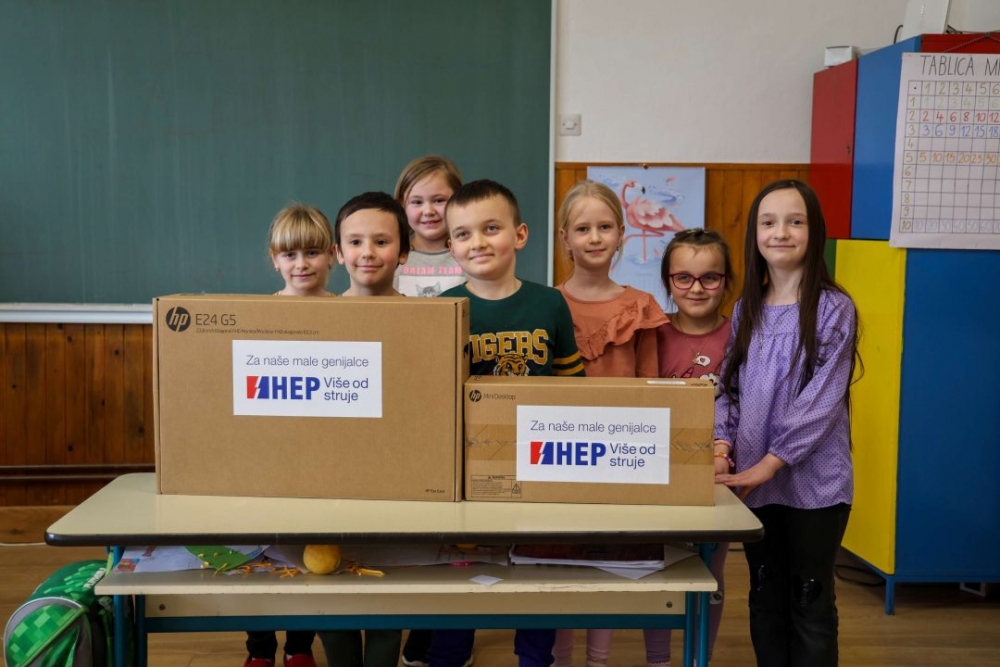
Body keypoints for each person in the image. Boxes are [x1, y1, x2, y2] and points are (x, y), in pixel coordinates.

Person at [432, 179, 585, 667]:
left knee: (538, 566)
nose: (477, 242)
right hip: (467, 470)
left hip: (540, 463)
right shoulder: (443, 308)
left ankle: (535, 657)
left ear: (519, 235)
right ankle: (450, 655)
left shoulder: (549, 303)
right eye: (463, 234)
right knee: (461, 566)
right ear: (450, 245)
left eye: (491, 228)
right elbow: (435, 402)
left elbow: (574, 389)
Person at [714, 180, 860, 667]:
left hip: (815, 485)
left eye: (795, 221)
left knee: (809, 600)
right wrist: (722, 446)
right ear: (755, 234)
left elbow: (821, 402)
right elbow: (729, 389)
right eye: (768, 222)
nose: (781, 232)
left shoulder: (834, 308)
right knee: (764, 595)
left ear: (814, 232)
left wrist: (771, 462)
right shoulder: (746, 309)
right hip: (756, 484)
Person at [551, 180, 666, 667]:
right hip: (561, 457)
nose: (594, 238)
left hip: (623, 455)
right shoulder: (548, 303)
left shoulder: (639, 305)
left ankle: (598, 659)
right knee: (559, 564)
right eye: (582, 229)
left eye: (604, 227)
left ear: (621, 234)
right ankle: (559, 659)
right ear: (565, 237)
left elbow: (652, 389)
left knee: (613, 562)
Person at [319, 191, 409, 667]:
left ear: (404, 251)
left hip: (395, 479)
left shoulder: (424, 321)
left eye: (382, 241)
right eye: (354, 242)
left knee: (386, 584)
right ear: (338, 252)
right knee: (330, 582)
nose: (367, 252)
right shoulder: (316, 319)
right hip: (328, 478)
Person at [245, 203, 335, 667]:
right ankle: (259, 649)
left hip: (326, 458)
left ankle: (300, 646)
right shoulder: (257, 315)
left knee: (310, 553)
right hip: (269, 457)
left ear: (333, 255)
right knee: (262, 553)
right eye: (290, 254)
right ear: (274, 259)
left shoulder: (348, 313)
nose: (302, 264)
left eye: (313, 253)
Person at [648, 228, 736, 667]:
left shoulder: (741, 335)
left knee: (710, 572)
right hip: (660, 474)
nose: (696, 288)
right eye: (683, 277)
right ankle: (659, 659)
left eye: (709, 278)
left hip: (717, 476)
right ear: (668, 280)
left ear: (726, 281)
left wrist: (721, 451)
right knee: (660, 568)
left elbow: (742, 402)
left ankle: (701, 657)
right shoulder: (653, 334)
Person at [393, 155, 467, 297]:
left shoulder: (470, 253)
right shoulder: (393, 255)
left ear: (458, 200)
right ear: (402, 205)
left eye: (439, 200)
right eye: (417, 202)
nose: (428, 211)